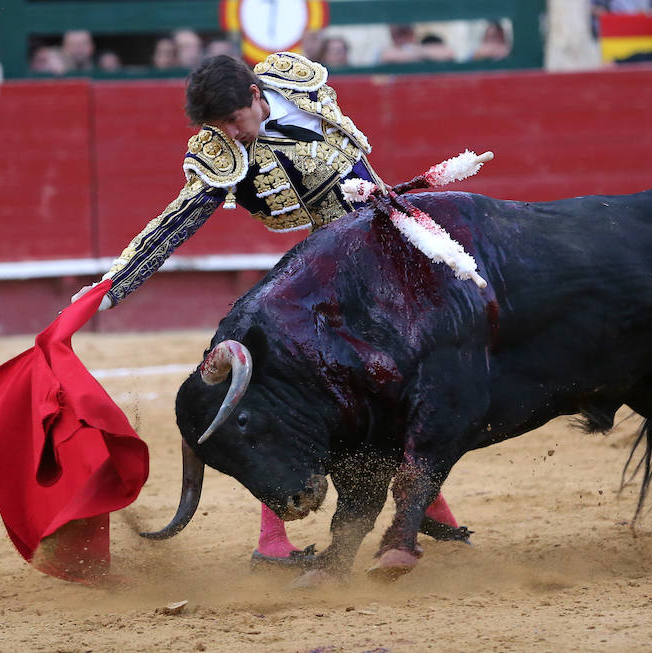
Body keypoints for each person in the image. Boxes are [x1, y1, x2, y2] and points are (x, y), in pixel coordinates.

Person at [71, 52, 467, 568]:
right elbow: (175, 224)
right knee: (302, 397)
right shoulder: (219, 152)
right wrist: (109, 289)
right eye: (221, 127)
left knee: (414, 380)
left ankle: (428, 506)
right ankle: (276, 540)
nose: (233, 135)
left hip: (388, 244)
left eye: (236, 120)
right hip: (327, 273)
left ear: (256, 95)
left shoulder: (294, 77)